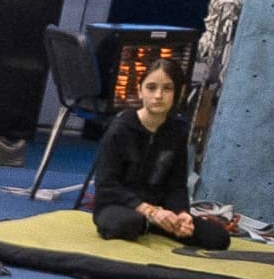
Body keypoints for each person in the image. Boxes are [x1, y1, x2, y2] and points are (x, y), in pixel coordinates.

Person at [87, 60, 236, 247]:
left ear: (179, 93)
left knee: (218, 238)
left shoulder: (176, 133)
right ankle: (149, 223)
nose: (158, 95)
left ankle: (156, 225)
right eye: (151, 87)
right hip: (119, 206)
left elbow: (176, 186)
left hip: (161, 210)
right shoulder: (120, 129)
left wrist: (182, 214)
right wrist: (149, 211)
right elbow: (107, 185)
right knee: (127, 223)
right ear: (140, 90)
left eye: (167, 89)